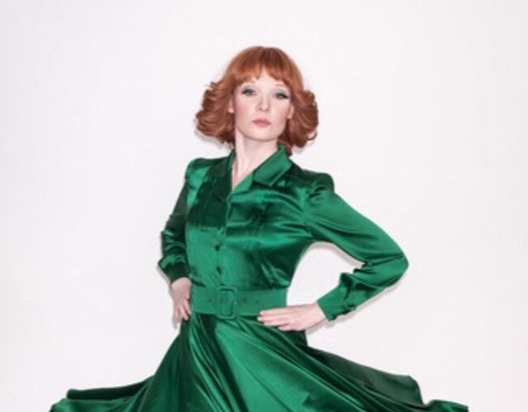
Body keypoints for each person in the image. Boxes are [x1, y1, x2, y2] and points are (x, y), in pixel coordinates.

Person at [50, 46, 468, 411]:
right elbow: (174, 235)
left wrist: (320, 309)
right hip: (196, 349)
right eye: (250, 91)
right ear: (231, 102)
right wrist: (179, 280)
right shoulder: (200, 177)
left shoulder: (305, 193)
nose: (264, 106)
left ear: (292, 110)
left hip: (261, 353)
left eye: (279, 95)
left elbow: (389, 259)